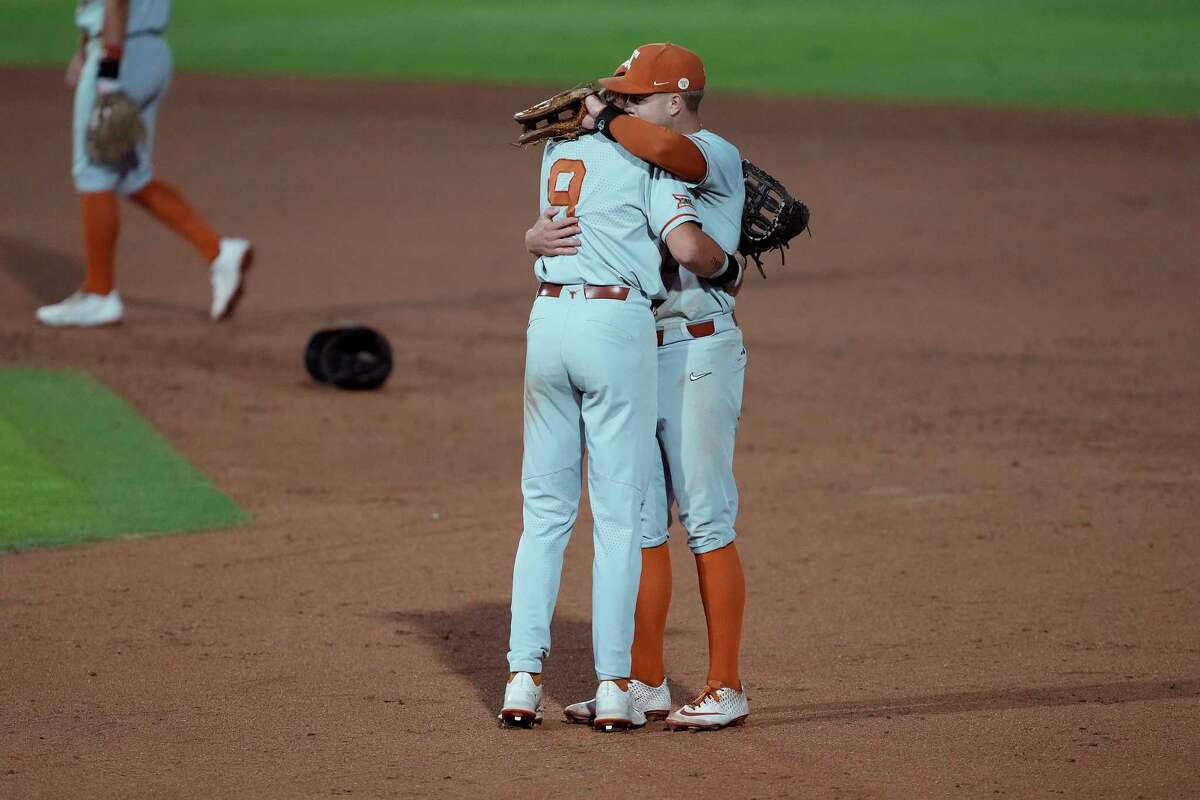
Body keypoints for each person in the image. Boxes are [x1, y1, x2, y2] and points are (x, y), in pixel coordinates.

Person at [501, 73, 743, 732]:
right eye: (620, 96)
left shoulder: (696, 150)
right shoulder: (641, 154)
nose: (625, 104)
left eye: (637, 96)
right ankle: (632, 683)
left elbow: (676, 174)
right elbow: (680, 241)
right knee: (630, 522)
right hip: (627, 339)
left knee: (700, 516)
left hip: (684, 348)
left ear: (673, 101)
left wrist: (600, 122)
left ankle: (723, 685)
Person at [37, 0, 251, 328]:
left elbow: (117, 4)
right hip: (150, 55)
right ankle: (219, 252)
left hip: (120, 55)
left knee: (92, 175)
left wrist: (108, 73)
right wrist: (84, 48)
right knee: (131, 175)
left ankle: (99, 294)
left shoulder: (113, 60)